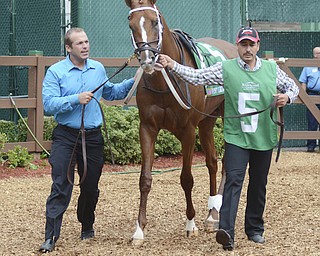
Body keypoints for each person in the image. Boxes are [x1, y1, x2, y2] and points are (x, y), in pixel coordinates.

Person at [158, 27, 299, 251]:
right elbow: (197, 76)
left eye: (251, 45)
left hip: (262, 135)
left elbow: (293, 86)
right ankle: (226, 231)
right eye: (243, 45)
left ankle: (254, 229)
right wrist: (172, 65)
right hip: (237, 136)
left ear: (258, 46)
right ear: (238, 46)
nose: (247, 49)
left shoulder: (272, 70)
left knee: (258, 184)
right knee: (233, 180)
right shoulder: (226, 68)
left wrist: (287, 97)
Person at [39, 27, 136, 253]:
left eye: (86, 42)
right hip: (65, 136)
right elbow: (49, 105)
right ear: (68, 48)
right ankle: (50, 236)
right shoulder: (56, 72)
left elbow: (111, 93)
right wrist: (76, 99)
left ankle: (87, 224)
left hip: (93, 138)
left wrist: (135, 79)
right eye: (80, 43)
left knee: (90, 187)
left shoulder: (98, 69)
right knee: (61, 185)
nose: (85, 46)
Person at [299, 47, 320, 152]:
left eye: (319, 53)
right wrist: (304, 98)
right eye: (316, 53)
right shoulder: (308, 66)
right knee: (312, 122)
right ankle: (311, 147)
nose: (318, 55)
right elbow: (303, 82)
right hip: (312, 95)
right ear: (313, 54)